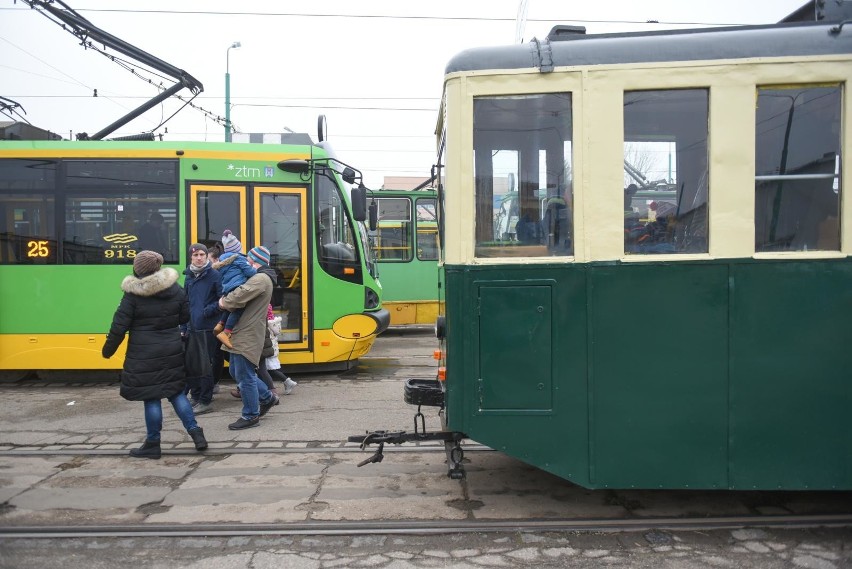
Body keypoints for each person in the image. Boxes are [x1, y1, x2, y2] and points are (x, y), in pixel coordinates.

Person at [102, 250, 207, 458]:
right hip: (171, 348)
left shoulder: (133, 294)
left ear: (138, 269)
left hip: (144, 352)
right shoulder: (175, 289)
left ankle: (153, 443)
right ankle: (196, 434)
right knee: (176, 392)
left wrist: (108, 350)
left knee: (151, 397)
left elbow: (119, 325)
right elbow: (185, 315)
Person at [219, 244, 280, 430]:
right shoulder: (260, 277)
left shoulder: (260, 278)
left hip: (247, 332)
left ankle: (251, 415)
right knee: (235, 372)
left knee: (244, 376)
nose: (246, 263)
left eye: (249, 260)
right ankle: (267, 398)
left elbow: (238, 296)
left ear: (255, 262)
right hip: (242, 330)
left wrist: (223, 301)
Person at [182, 243, 223, 415]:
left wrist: (208, 311)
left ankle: (205, 400)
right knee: (192, 365)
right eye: (195, 255)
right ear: (191, 257)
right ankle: (196, 396)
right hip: (192, 327)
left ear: (207, 256)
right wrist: (183, 326)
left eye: (201, 254)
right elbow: (185, 303)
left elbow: (223, 299)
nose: (199, 258)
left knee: (206, 365)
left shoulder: (214, 275)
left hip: (208, 327)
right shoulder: (188, 276)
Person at [212, 230, 256, 349]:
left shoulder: (222, 260)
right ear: (237, 248)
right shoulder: (238, 258)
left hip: (227, 287)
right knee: (238, 308)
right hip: (237, 286)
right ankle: (226, 332)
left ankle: (220, 324)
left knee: (230, 307)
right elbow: (249, 272)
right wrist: (255, 269)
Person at [206, 244, 226, 394]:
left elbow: (222, 300)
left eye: (208, 259)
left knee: (219, 353)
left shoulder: (217, 276)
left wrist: (208, 310)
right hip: (217, 321)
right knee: (219, 353)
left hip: (218, 321)